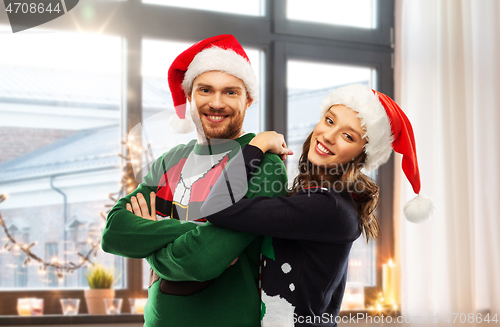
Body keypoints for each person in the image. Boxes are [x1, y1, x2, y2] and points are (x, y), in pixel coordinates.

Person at [198, 84, 435, 326]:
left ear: (361, 155)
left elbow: (216, 208)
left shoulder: (326, 208)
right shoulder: (324, 199)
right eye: (330, 121)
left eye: (348, 136)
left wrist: (257, 146)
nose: (329, 136)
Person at [101, 34, 288, 326]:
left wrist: (150, 238)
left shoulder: (263, 163)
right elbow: (114, 233)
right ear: (189, 96)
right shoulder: (170, 161)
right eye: (205, 90)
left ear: (248, 100)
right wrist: (194, 231)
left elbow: (202, 260)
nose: (216, 103)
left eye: (230, 92)